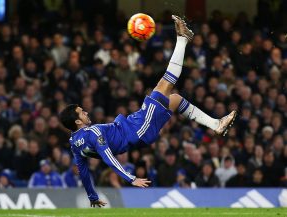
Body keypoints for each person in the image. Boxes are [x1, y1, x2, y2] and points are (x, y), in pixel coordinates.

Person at [59, 15, 237, 207]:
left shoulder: (75, 143)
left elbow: (84, 172)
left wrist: (93, 197)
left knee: (175, 100)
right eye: (81, 112)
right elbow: (108, 157)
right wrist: (130, 178)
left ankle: (215, 124)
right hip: (137, 129)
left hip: (136, 129)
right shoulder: (93, 132)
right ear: (77, 121)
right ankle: (182, 38)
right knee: (163, 85)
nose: (85, 112)